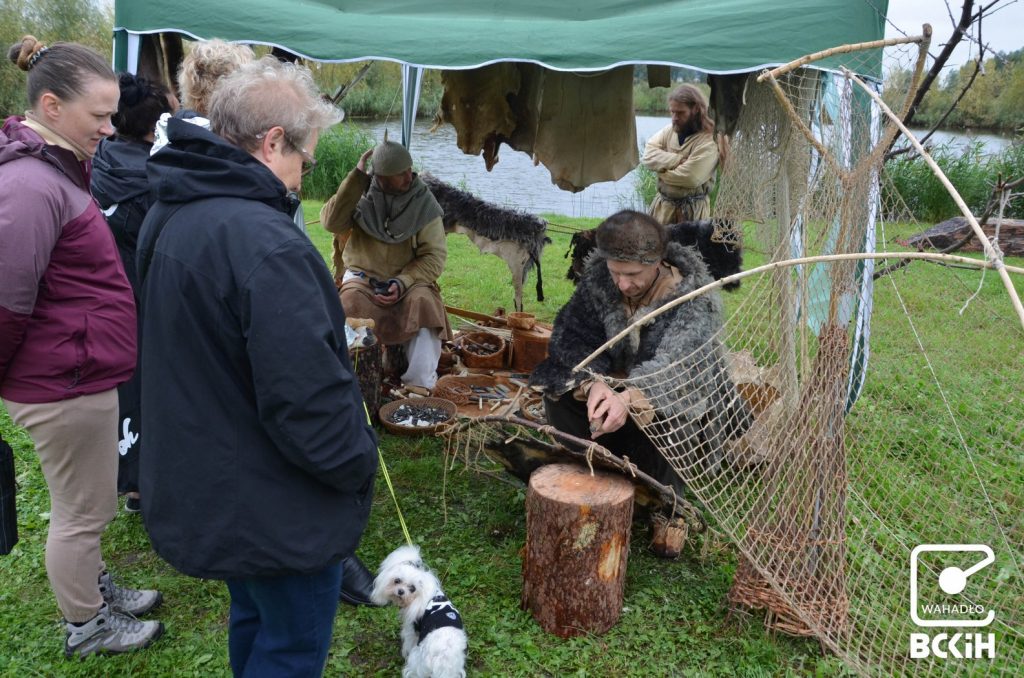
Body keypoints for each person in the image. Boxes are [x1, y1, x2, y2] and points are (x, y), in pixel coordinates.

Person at [136, 57, 379, 677]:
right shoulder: (264, 243)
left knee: (253, 616)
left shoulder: (173, 204)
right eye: (306, 157)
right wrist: (357, 463)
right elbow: (307, 400)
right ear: (273, 143)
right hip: (271, 502)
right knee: (292, 645)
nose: (304, 173)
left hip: (219, 480)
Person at [1, 36, 164, 658]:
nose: (108, 126)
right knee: (79, 512)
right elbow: (7, 299)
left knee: (90, 503)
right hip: (61, 382)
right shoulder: (29, 187)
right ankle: (87, 626)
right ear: (50, 105)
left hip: (76, 372)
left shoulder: (56, 171)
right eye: (98, 115)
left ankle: (94, 591)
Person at [530, 211, 750, 548]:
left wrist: (629, 397)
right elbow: (571, 339)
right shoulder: (600, 281)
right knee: (559, 390)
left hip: (672, 393)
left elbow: (679, 370)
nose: (622, 284)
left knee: (673, 413)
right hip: (615, 382)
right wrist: (594, 384)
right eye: (615, 272)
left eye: (632, 275)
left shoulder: (693, 298)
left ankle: (668, 505)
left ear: (658, 261)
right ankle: (593, 468)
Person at [91, 73, 178, 514]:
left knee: (126, 388)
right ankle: (148, 486)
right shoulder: (155, 178)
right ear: (155, 125)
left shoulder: (101, 157)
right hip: (145, 296)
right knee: (154, 387)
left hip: (106, 296)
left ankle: (131, 484)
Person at [320, 139, 451, 391]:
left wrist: (402, 282)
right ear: (380, 177)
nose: (408, 176)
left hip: (409, 280)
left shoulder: (422, 202)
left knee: (425, 304)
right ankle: (350, 382)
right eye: (399, 173)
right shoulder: (359, 195)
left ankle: (419, 385)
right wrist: (356, 178)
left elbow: (434, 257)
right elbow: (332, 223)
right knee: (347, 306)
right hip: (362, 278)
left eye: (408, 170)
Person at [641, 84, 728, 225]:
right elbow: (647, 156)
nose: (675, 117)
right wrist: (677, 159)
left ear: (695, 109)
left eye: (680, 113)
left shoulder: (709, 139)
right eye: (672, 112)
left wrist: (661, 172)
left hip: (692, 214)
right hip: (661, 210)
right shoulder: (669, 131)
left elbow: (691, 177)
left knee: (690, 248)